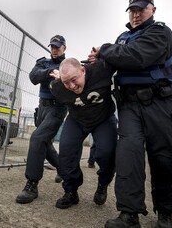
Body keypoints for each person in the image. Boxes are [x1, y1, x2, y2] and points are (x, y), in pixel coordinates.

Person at [87, 0, 172, 227]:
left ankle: (165, 213)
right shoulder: (122, 39)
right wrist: (92, 62)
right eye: (132, 10)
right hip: (129, 106)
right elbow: (111, 63)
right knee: (128, 158)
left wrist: (105, 49)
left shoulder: (161, 33)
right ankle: (129, 214)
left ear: (153, 10)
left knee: (163, 160)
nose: (136, 14)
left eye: (141, 9)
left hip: (160, 104)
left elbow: (137, 57)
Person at [49, 58, 117, 209]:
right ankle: (71, 191)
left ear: (83, 70)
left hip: (103, 118)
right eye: (67, 82)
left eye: (74, 79)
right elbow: (55, 86)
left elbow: (119, 57)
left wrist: (102, 51)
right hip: (77, 120)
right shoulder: (58, 87)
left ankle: (103, 183)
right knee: (66, 150)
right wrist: (60, 81)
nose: (72, 86)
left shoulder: (101, 70)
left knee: (107, 151)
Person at [16, 35, 68, 204]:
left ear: (64, 48)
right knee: (44, 143)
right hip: (42, 108)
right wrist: (48, 73)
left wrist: (62, 76)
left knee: (38, 138)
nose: (54, 50)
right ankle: (63, 169)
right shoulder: (43, 63)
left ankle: (32, 184)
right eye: (52, 46)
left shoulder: (68, 65)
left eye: (57, 47)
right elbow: (33, 77)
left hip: (57, 108)